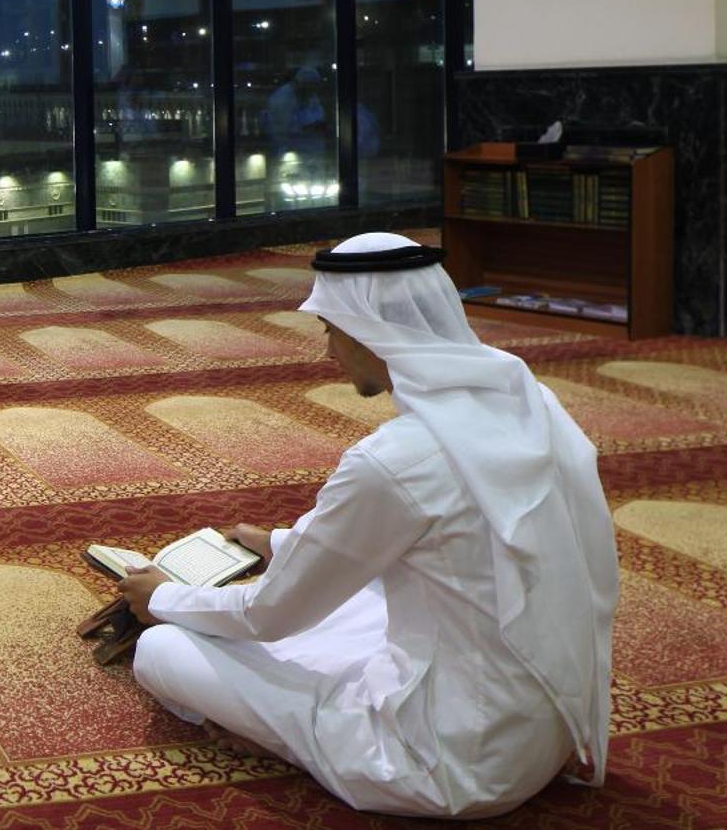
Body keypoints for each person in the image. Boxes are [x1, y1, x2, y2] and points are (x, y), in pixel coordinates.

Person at [120, 231, 617, 819]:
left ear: (361, 330)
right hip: (545, 730)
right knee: (360, 598)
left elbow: (269, 615)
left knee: (163, 649)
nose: (327, 350)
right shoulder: (530, 402)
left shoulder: (395, 460)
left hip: (444, 765)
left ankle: (290, 743)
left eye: (329, 330)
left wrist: (165, 597)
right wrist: (279, 543)